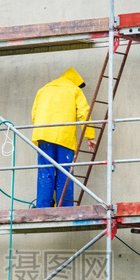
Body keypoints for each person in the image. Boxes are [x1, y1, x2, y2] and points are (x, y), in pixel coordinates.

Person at [31, 67, 97, 208]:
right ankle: (65, 207)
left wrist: (42, 130)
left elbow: (34, 114)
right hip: (64, 137)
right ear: (75, 81)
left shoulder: (44, 89)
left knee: (45, 172)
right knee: (65, 173)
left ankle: (43, 207)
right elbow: (84, 113)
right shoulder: (74, 90)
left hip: (43, 136)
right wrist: (89, 136)